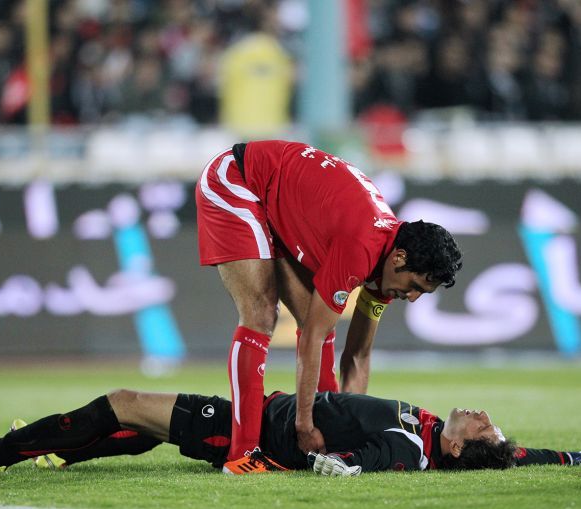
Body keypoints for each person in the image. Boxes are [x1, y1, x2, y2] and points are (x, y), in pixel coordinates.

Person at [195, 140, 463, 473]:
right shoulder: (361, 247)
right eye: (415, 287)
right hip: (237, 179)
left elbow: (358, 355)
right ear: (399, 258)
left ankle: (321, 429)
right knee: (261, 314)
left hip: (277, 200)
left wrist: (347, 428)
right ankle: (242, 454)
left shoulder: (389, 266)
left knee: (319, 318)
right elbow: (312, 337)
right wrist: (304, 425)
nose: (411, 297)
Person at [0, 387, 581, 476]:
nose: (482, 413)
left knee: (123, 404)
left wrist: (336, 468)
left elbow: (358, 462)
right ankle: (55, 451)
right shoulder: (428, 427)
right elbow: (522, 455)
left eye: (483, 425)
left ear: (460, 446)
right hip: (257, 412)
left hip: (251, 428)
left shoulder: (410, 446)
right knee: (148, 429)